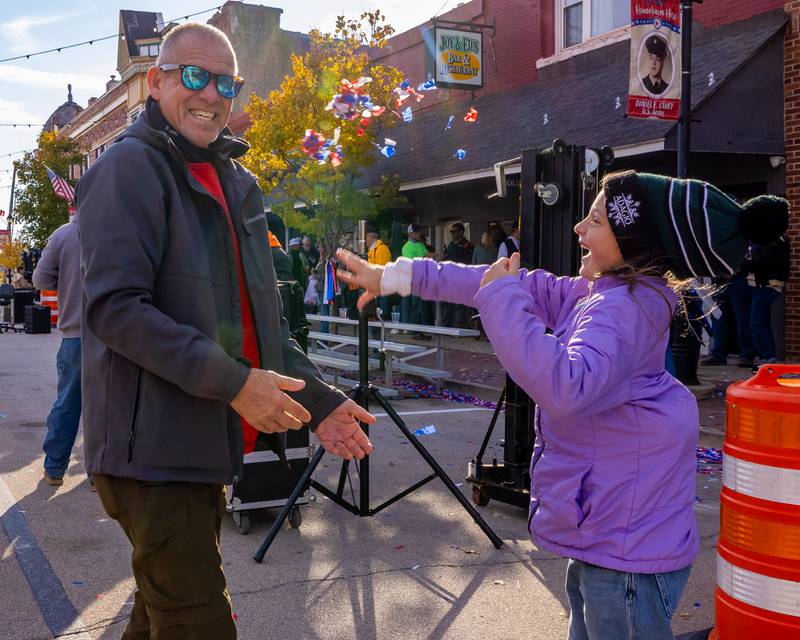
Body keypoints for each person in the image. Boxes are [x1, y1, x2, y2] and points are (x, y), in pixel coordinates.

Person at [337, 171, 789, 639]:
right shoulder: (601, 295)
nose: (578, 228)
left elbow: (566, 386)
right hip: (609, 543)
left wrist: (501, 299)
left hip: (624, 557)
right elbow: (491, 281)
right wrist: (397, 276)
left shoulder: (624, 310)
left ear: (633, 240)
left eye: (594, 219)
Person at [77, 22, 374, 639]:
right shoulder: (130, 168)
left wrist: (318, 404)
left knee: (162, 614)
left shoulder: (238, 184)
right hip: (151, 453)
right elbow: (113, 310)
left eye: (226, 82)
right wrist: (236, 385)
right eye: (194, 76)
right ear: (156, 82)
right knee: (198, 622)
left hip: (205, 444)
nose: (211, 94)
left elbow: (260, 328)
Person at [32, 213, 82, 488]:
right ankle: (101, 474)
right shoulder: (120, 229)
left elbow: (41, 280)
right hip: (116, 337)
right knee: (111, 409)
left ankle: (55, 469)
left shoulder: (63, 235)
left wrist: (68, 278)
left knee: (67, 404)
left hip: (76, 334)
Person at [746, 234, 790, 363]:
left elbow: (759, 262)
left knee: (757, 323)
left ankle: (767, 356)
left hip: (767, 285)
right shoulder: (778, 239)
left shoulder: (770, 241)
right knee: (762, 323)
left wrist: (743, 263)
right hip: (769, 284)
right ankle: (768, 355)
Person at [441, 222, 474, 327]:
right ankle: (446, 327)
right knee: (447, 304)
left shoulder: (467, 245)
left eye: (454, 231)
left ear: (461, 232)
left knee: (459, 305)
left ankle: (458, 327)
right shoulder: (450, 245)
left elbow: (469, 262)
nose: (452, 234)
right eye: (450, 232)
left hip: (461, 278)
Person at [400, 224, 427, 328]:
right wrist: (425, 256)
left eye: (419, 232)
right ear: (410, 233)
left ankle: (421, 328)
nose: (419, 234)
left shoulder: (421, 245)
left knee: (422, 305)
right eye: (416, 232)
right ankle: (414, 330)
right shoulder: (406, 247)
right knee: (416, 304)